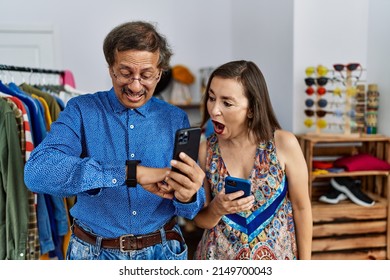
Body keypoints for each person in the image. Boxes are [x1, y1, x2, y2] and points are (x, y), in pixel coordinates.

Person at [24, 21, 205, 260]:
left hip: (162, 253)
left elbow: (191, 209)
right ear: (111, 68)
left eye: (147, 75)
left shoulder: (175, 118)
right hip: (93, 255)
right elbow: (37, 172)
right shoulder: (80, 110)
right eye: (126, 73)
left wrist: (189, 195)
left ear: (159, 73)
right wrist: (130, 173)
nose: (135, 85)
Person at [193, 60, 312, 260]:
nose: (214, 110)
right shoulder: (205, 150)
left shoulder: (284, 143)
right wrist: (216, 209)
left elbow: (301, 208)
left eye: (227, 103)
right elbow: (200, 220)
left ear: (251, 109)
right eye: (212, 98)